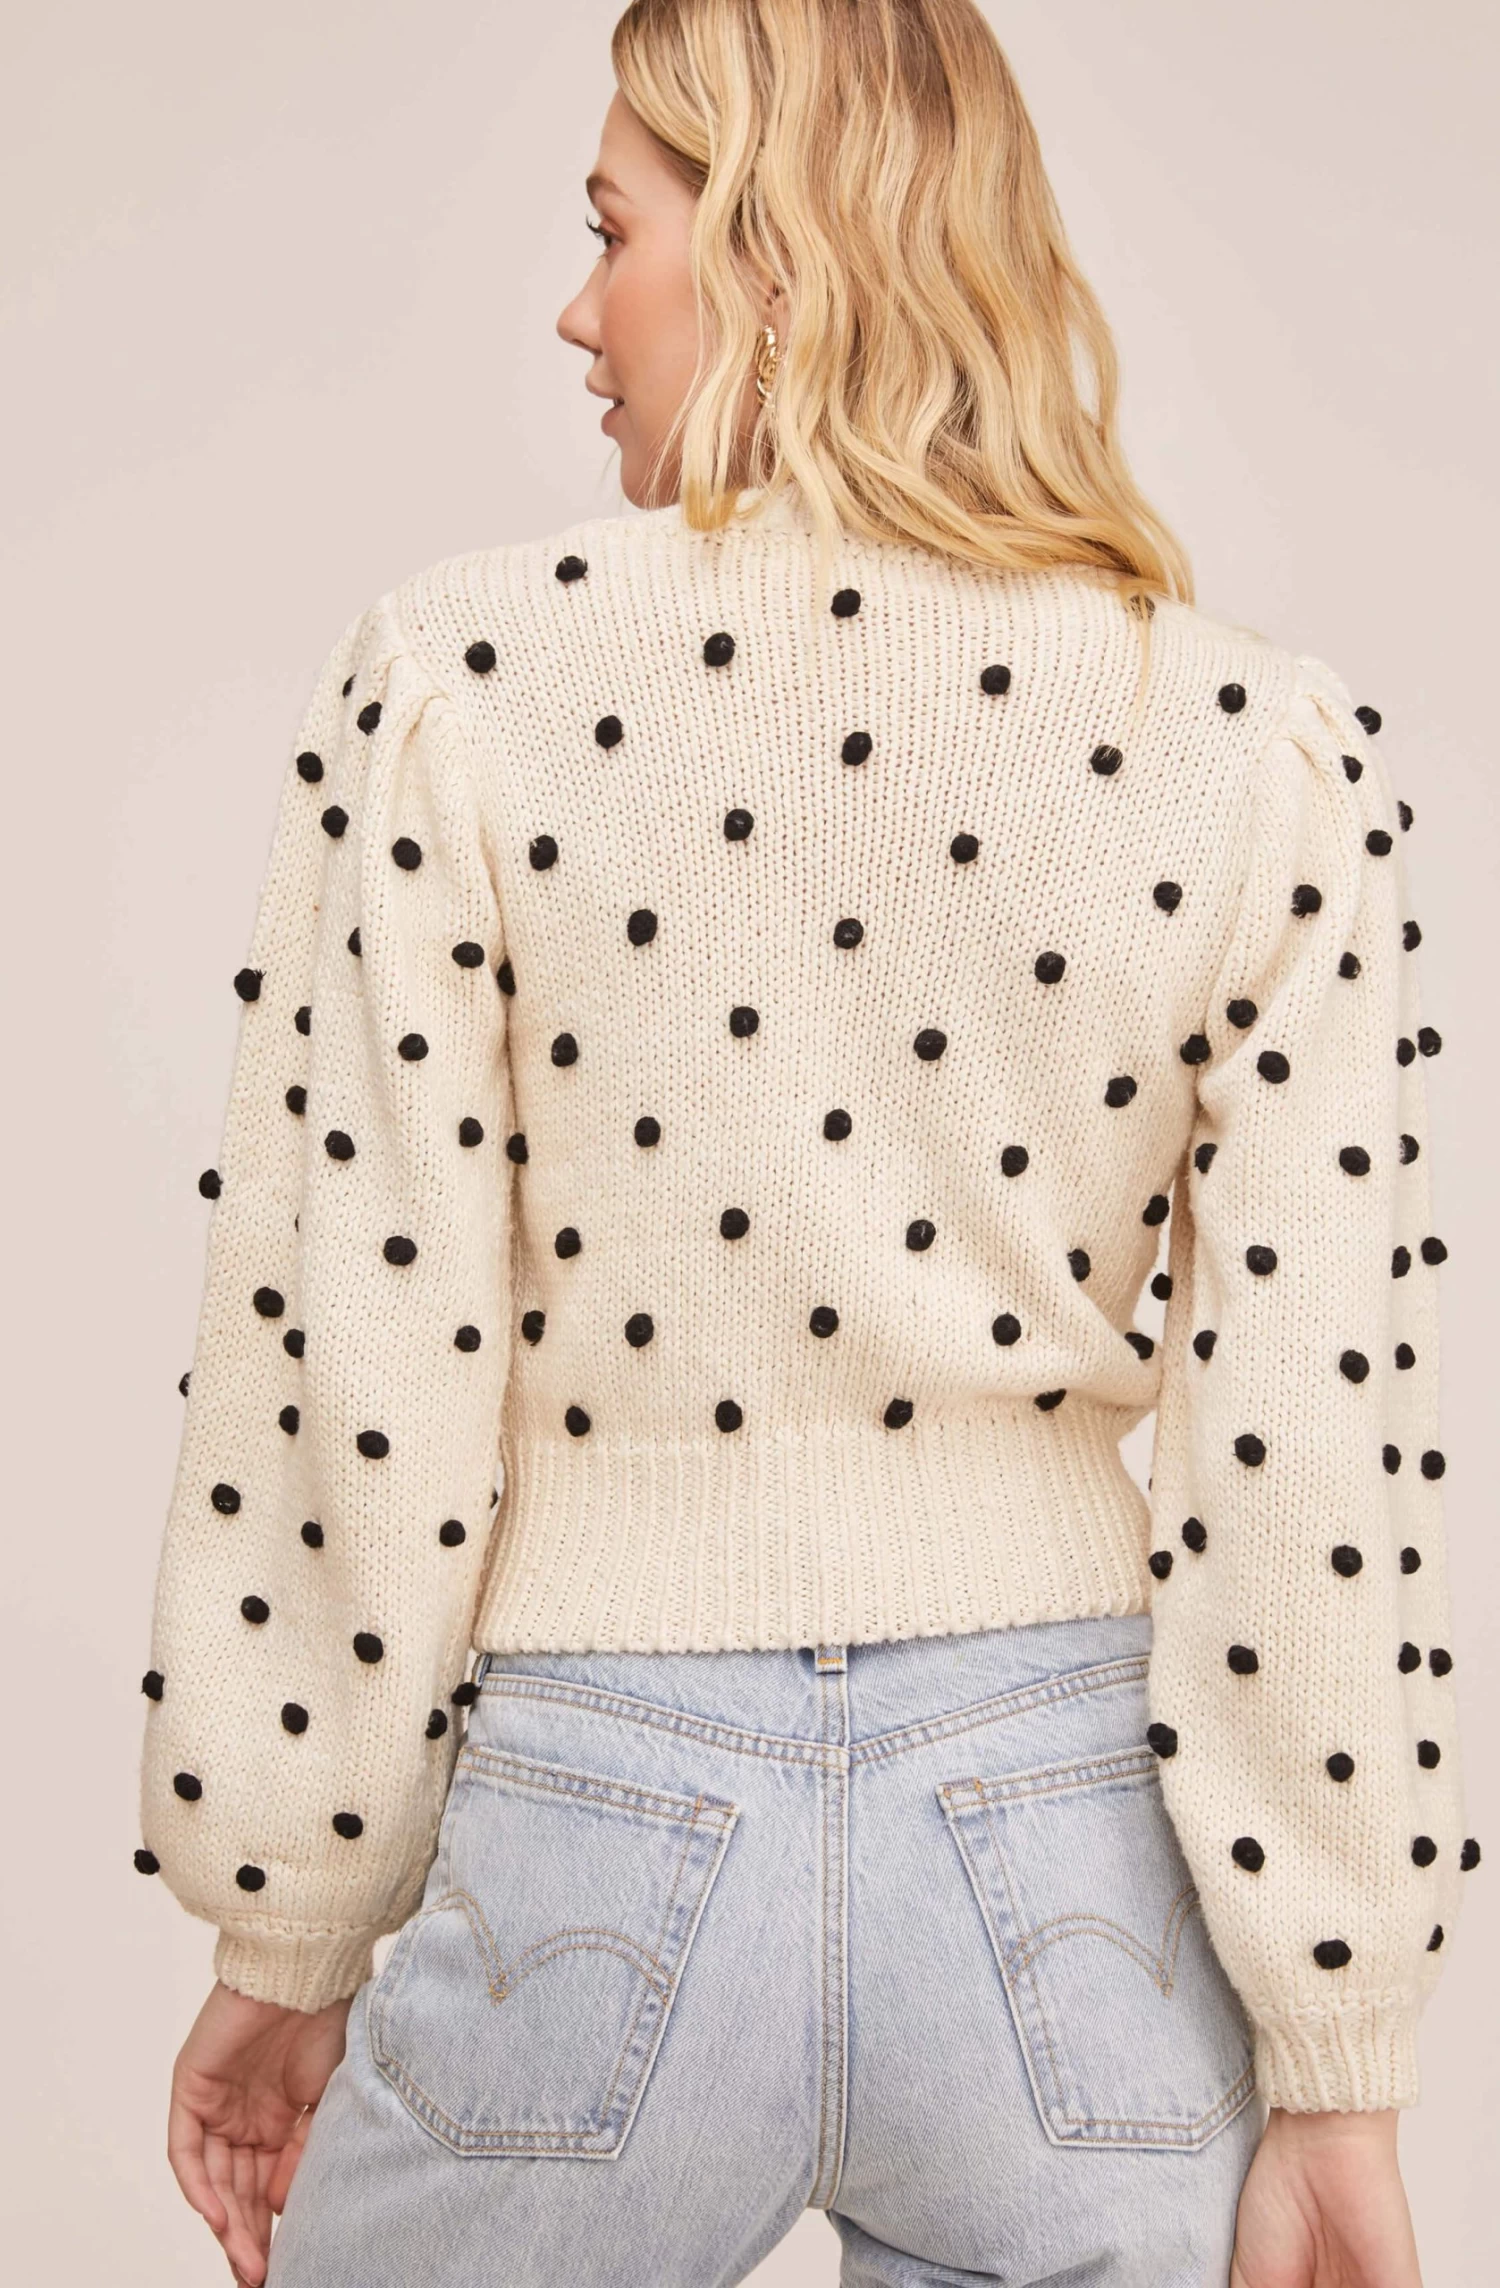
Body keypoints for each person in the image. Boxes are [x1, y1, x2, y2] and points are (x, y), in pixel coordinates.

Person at [137, 4, 1475, 2282]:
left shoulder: (458, 688)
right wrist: (1337, 2055)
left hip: (596, 1808)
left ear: (767, 242)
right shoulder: (1254, 748)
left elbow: (355, 1348)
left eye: (611, 232)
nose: (580, 313)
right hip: (1067, 1863)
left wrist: (289, 1924)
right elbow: (1310, 1450)